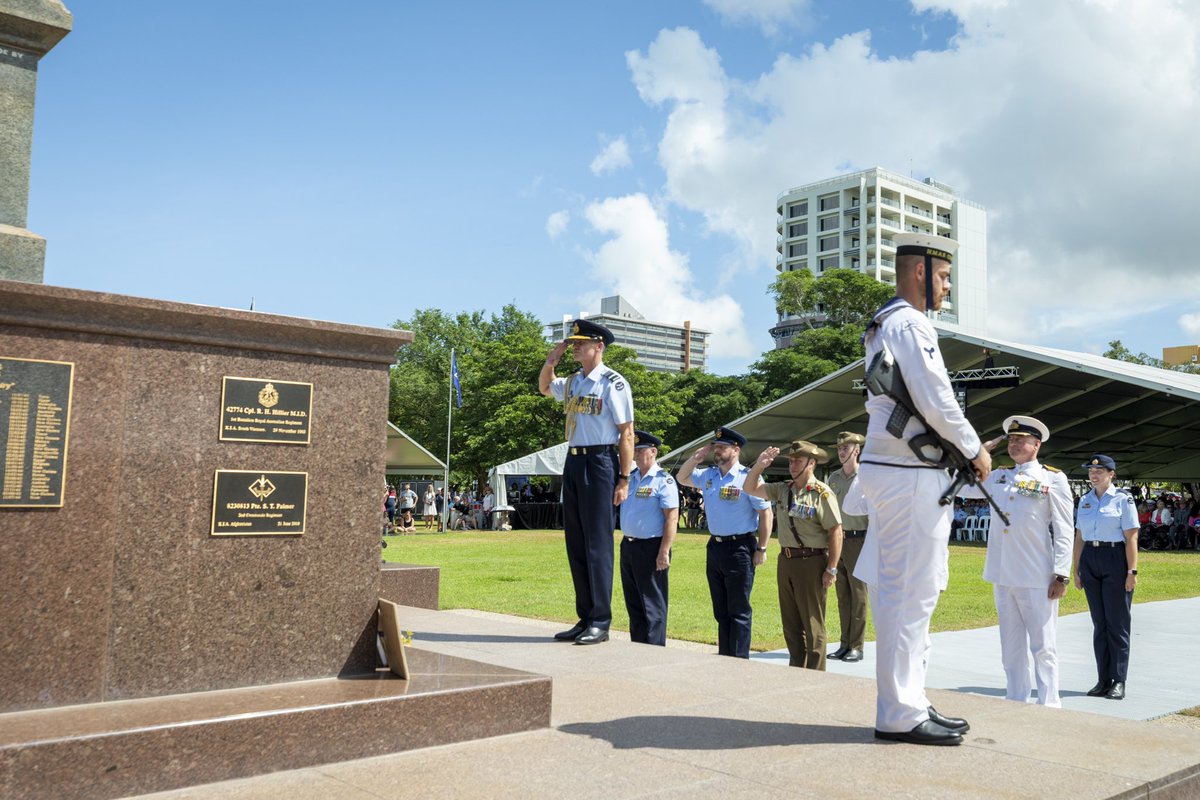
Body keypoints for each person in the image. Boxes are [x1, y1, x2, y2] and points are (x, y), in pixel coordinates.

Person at [855, 231, 988, 747]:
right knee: (911, 593)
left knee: (910, 591)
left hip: (898, 469)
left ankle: (909, 698)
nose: (948, 286)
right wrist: (975, 449)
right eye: (944, 276)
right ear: (920, 273)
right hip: (909, 474)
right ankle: (900, 711)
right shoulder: (911, 323)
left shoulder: (886, 320)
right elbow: (936, 397)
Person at [957, 416, 1073, 707]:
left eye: (1021, 440)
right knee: (1011, 647)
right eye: (1010, 439)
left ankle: (1049, 705)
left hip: (1037, 575)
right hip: (1003, 573)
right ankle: (1015, 701)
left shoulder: (1052, 478)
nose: (1014, 444)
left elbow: (1064, 528)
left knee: (1043, 646)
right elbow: (960, 486)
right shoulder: (997, 476)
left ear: (1037, 444)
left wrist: (1061, 574)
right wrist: (977, 453)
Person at [539, 318, 634, 646]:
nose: (575, 346)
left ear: (599, 346)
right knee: (576, 542)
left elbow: (627, 433)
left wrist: (623, 477)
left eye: (581, 342)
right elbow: (544, 387)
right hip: (574, 460)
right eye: (573, 342)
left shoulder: (612, 383)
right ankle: (585, 617)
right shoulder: (575, 382)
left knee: (597, 544)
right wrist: (552, 360)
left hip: (600, 462)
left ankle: (600, 620)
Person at [744, 440, 842, 670]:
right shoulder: (783, 489)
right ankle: (796, 670)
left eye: (798, 461)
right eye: (790, 461)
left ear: (812, 463)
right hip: (786, 561)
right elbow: (749, 488)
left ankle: (816, 674)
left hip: (812, 562)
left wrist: (832, 568)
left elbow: (836, 532)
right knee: (791, 623)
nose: (793, 465)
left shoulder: (822, 493)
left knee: (813, 624)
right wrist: (759, 466)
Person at [676, 427, 772, 659]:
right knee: (721, 610)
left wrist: (762, 548)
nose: (716, 450)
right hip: (716, 547)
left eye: (722, 447)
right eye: (715, 446)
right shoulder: (709, 475)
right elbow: (682, 477)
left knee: (738, 610)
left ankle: (738, 661)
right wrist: (695, 458)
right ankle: (725, 657)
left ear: (736, 450)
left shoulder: (748, 478)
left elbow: (766, 513)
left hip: (740, 547)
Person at [1073, 453, 1139, 701]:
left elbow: (1131, 536)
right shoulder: (1086, 500)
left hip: (1115, 559)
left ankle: (1119, 680)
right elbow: (1079, 536)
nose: (1093, 473)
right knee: (1100, 624)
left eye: (1099, 471)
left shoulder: (1123, 499)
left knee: (1118, 625)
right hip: (1091, 557)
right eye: (1090, 470)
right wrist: (1077, 569)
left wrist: (1132, 571)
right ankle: (1103, 679)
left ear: (1112, 474)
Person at [617, 430, 678, 646]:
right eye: (634, 450)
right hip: (629, 545)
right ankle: (638, 647)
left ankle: (654, 650)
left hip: (652, 546)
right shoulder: (630, 478)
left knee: (653, 603)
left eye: (640, 450)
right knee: (633, 602)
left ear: (653, 452)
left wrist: (664, 551)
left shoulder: (664, 481)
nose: (635, 454)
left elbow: (671, 519)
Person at [827, 431, 869, 663]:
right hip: (838, 540)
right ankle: (844, 643)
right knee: (843, 595)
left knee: (859, 595)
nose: (842, 452)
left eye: (847, 448)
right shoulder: (833, 478)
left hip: (859, 539)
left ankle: (857, 646)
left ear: (857, 450)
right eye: (840, 448)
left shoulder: (866, 476)